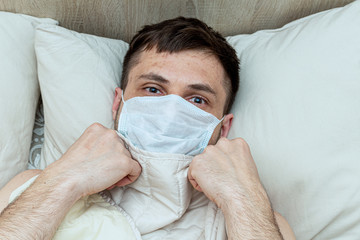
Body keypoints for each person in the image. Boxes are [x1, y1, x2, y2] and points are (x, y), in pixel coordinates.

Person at [0, 17, 295, 239]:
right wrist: (68, 178)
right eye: (153, 90)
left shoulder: (255, 219)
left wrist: (240, 195)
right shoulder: (33, 188)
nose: (171, 110)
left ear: (223, 126)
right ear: (118, 104)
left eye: (197, 99)